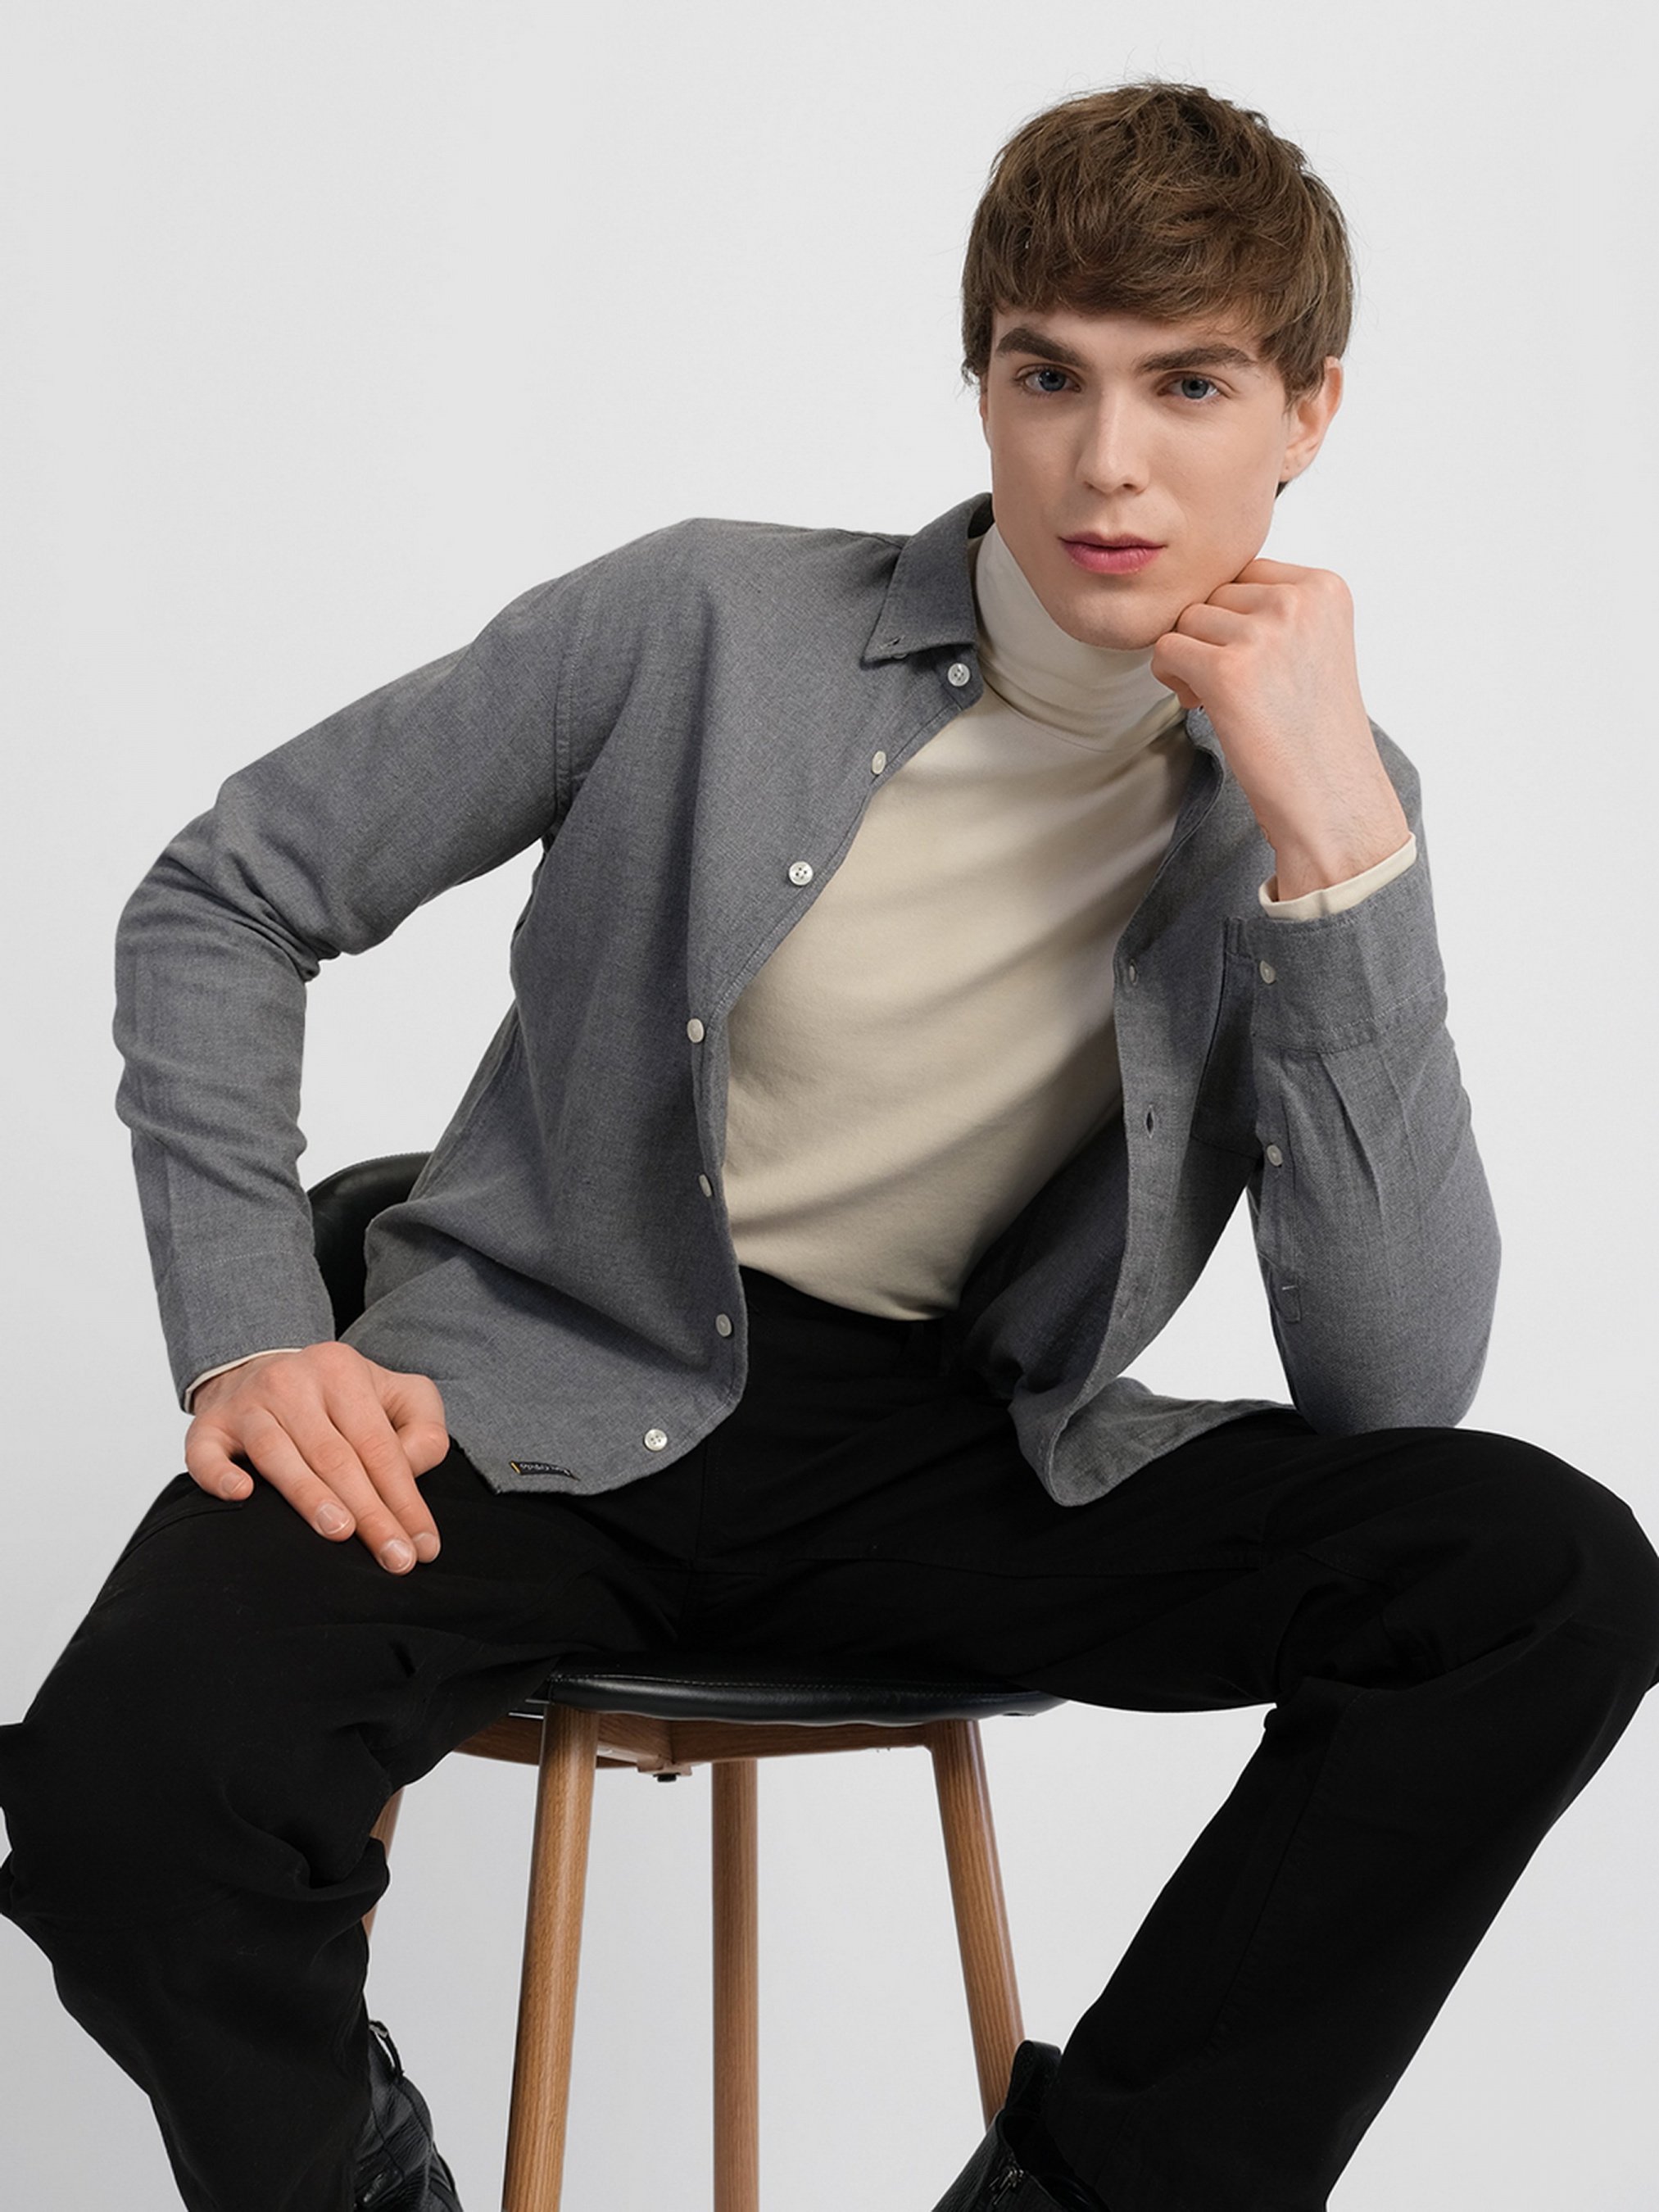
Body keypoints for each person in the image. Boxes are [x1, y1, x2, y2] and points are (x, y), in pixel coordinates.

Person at [2, 75, 1656, 2212]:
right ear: (981, 384)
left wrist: (1337, 832)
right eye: (1047, 375)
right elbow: (230, 894)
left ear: (1306, 412)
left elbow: (1394, 1387)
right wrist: (249, 1328)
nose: (1110, 460)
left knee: (1534, 1576)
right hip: (529, 1392)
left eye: (1190, 383)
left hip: (948, 1459)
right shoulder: (697, 619)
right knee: (123, 1793)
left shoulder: (1318, 789)